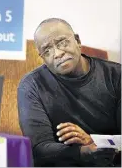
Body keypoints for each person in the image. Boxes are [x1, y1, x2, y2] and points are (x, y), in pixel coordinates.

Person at [17, 18, 121, 166]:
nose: (57, 53)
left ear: (77, 41)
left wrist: (95, 141)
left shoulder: (116, 76)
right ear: (42, 58)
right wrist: (84, 151)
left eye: (62, 42)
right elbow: (38, 148)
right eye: (47, 50)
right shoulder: (31, 85)